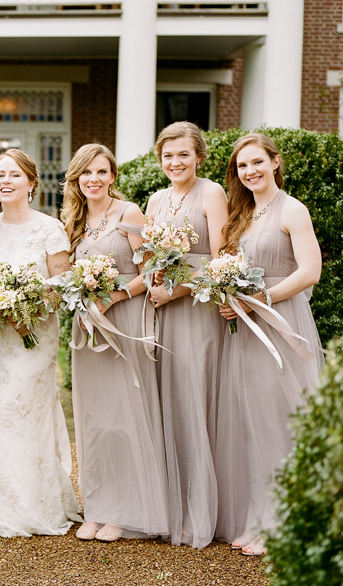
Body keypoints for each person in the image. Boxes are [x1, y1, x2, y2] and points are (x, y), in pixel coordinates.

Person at [0, 149, 81, 537]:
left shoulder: (49, 229)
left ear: (31, 183)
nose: (4, 181)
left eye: (13, 175)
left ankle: (31, 504)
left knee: (22, 408)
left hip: (34, 337)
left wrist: (24, 306)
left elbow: (61, 289)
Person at [214, 133, 324, 556]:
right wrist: (229, 299)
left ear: (275, 162)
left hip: (280, 324)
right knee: (250, 421)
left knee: (280, 420)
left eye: (258, 162)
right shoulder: (243, 213)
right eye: (243, 166)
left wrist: (262, 300)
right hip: (245, 330)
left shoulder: (292, 209)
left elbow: (310, 271)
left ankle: (283, 520)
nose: (251, 171)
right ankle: (257, 516)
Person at [61, 144, 169, 542]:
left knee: (124, 416)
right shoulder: (72, 218)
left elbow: (152, 269)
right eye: (87, 173)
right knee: (95, 420)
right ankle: (97, 506)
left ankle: (124, 511)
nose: (95, 179)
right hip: (87, 326)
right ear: (77, 178)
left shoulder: (128, 214)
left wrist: (115, 296)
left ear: (112, 176)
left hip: (123, 320)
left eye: (102, 172)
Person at [145, 121, 228, 548]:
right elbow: (147, 256)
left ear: (198, 155)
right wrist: (153, 279)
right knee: (168, 399)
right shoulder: (156, 199)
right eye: (168, 155)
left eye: (183, 154)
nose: (175, 162)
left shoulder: (212, 193)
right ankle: (169, 506)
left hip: (196, 311)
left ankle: (202, 511)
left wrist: (173, 291)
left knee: (196, 395)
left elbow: (219, 261)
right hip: (162, 313)